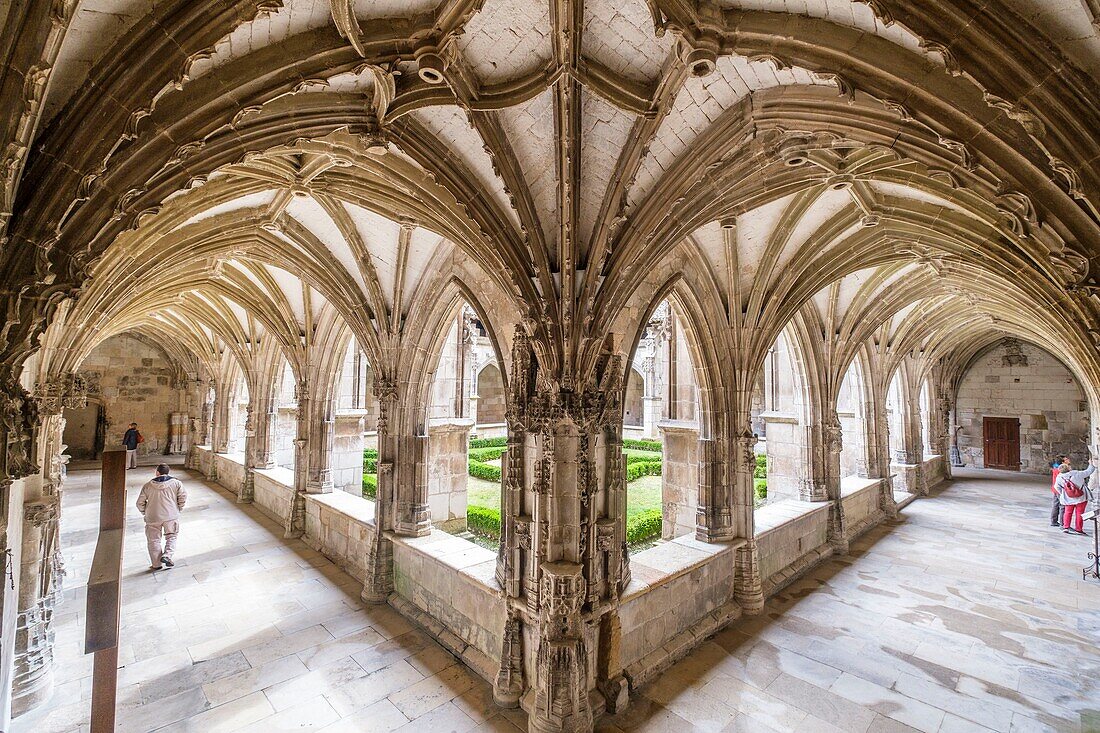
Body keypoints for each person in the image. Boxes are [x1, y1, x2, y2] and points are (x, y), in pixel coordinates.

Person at [136, 464, 187, 570]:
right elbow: (182, 497)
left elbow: (139, 502)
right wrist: (178, 509)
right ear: (168, 472)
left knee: (153, 540)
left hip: (153, 517)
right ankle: (167, 555)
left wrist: (145, 512)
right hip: (171, 515)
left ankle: (156, 564)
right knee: (172, 536)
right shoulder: (177, 483)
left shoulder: (148, 485)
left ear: (157, 472)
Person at [1055, 458, 1094, 536]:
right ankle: (1078, 529)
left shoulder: (1059, 477)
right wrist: (1091, 463)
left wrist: (1063, 493)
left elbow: (1057, 487)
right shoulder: (1077, 474)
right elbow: (1089, 471)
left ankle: (1066, 527)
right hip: (1081, 496)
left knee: (1068, 512)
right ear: (1068, 468)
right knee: (1080, 513)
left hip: (1068, 498)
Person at [1050, 455, 1067, 527]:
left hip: (1055, 488)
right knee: (1063, 505)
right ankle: (1063, 523)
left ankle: (1054, 521)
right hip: (1060, 489)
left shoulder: (1055, 468)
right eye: (1066, 459)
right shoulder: (1060, 470)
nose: (1068, 460)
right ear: (1063, 462)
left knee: (1055, 505)